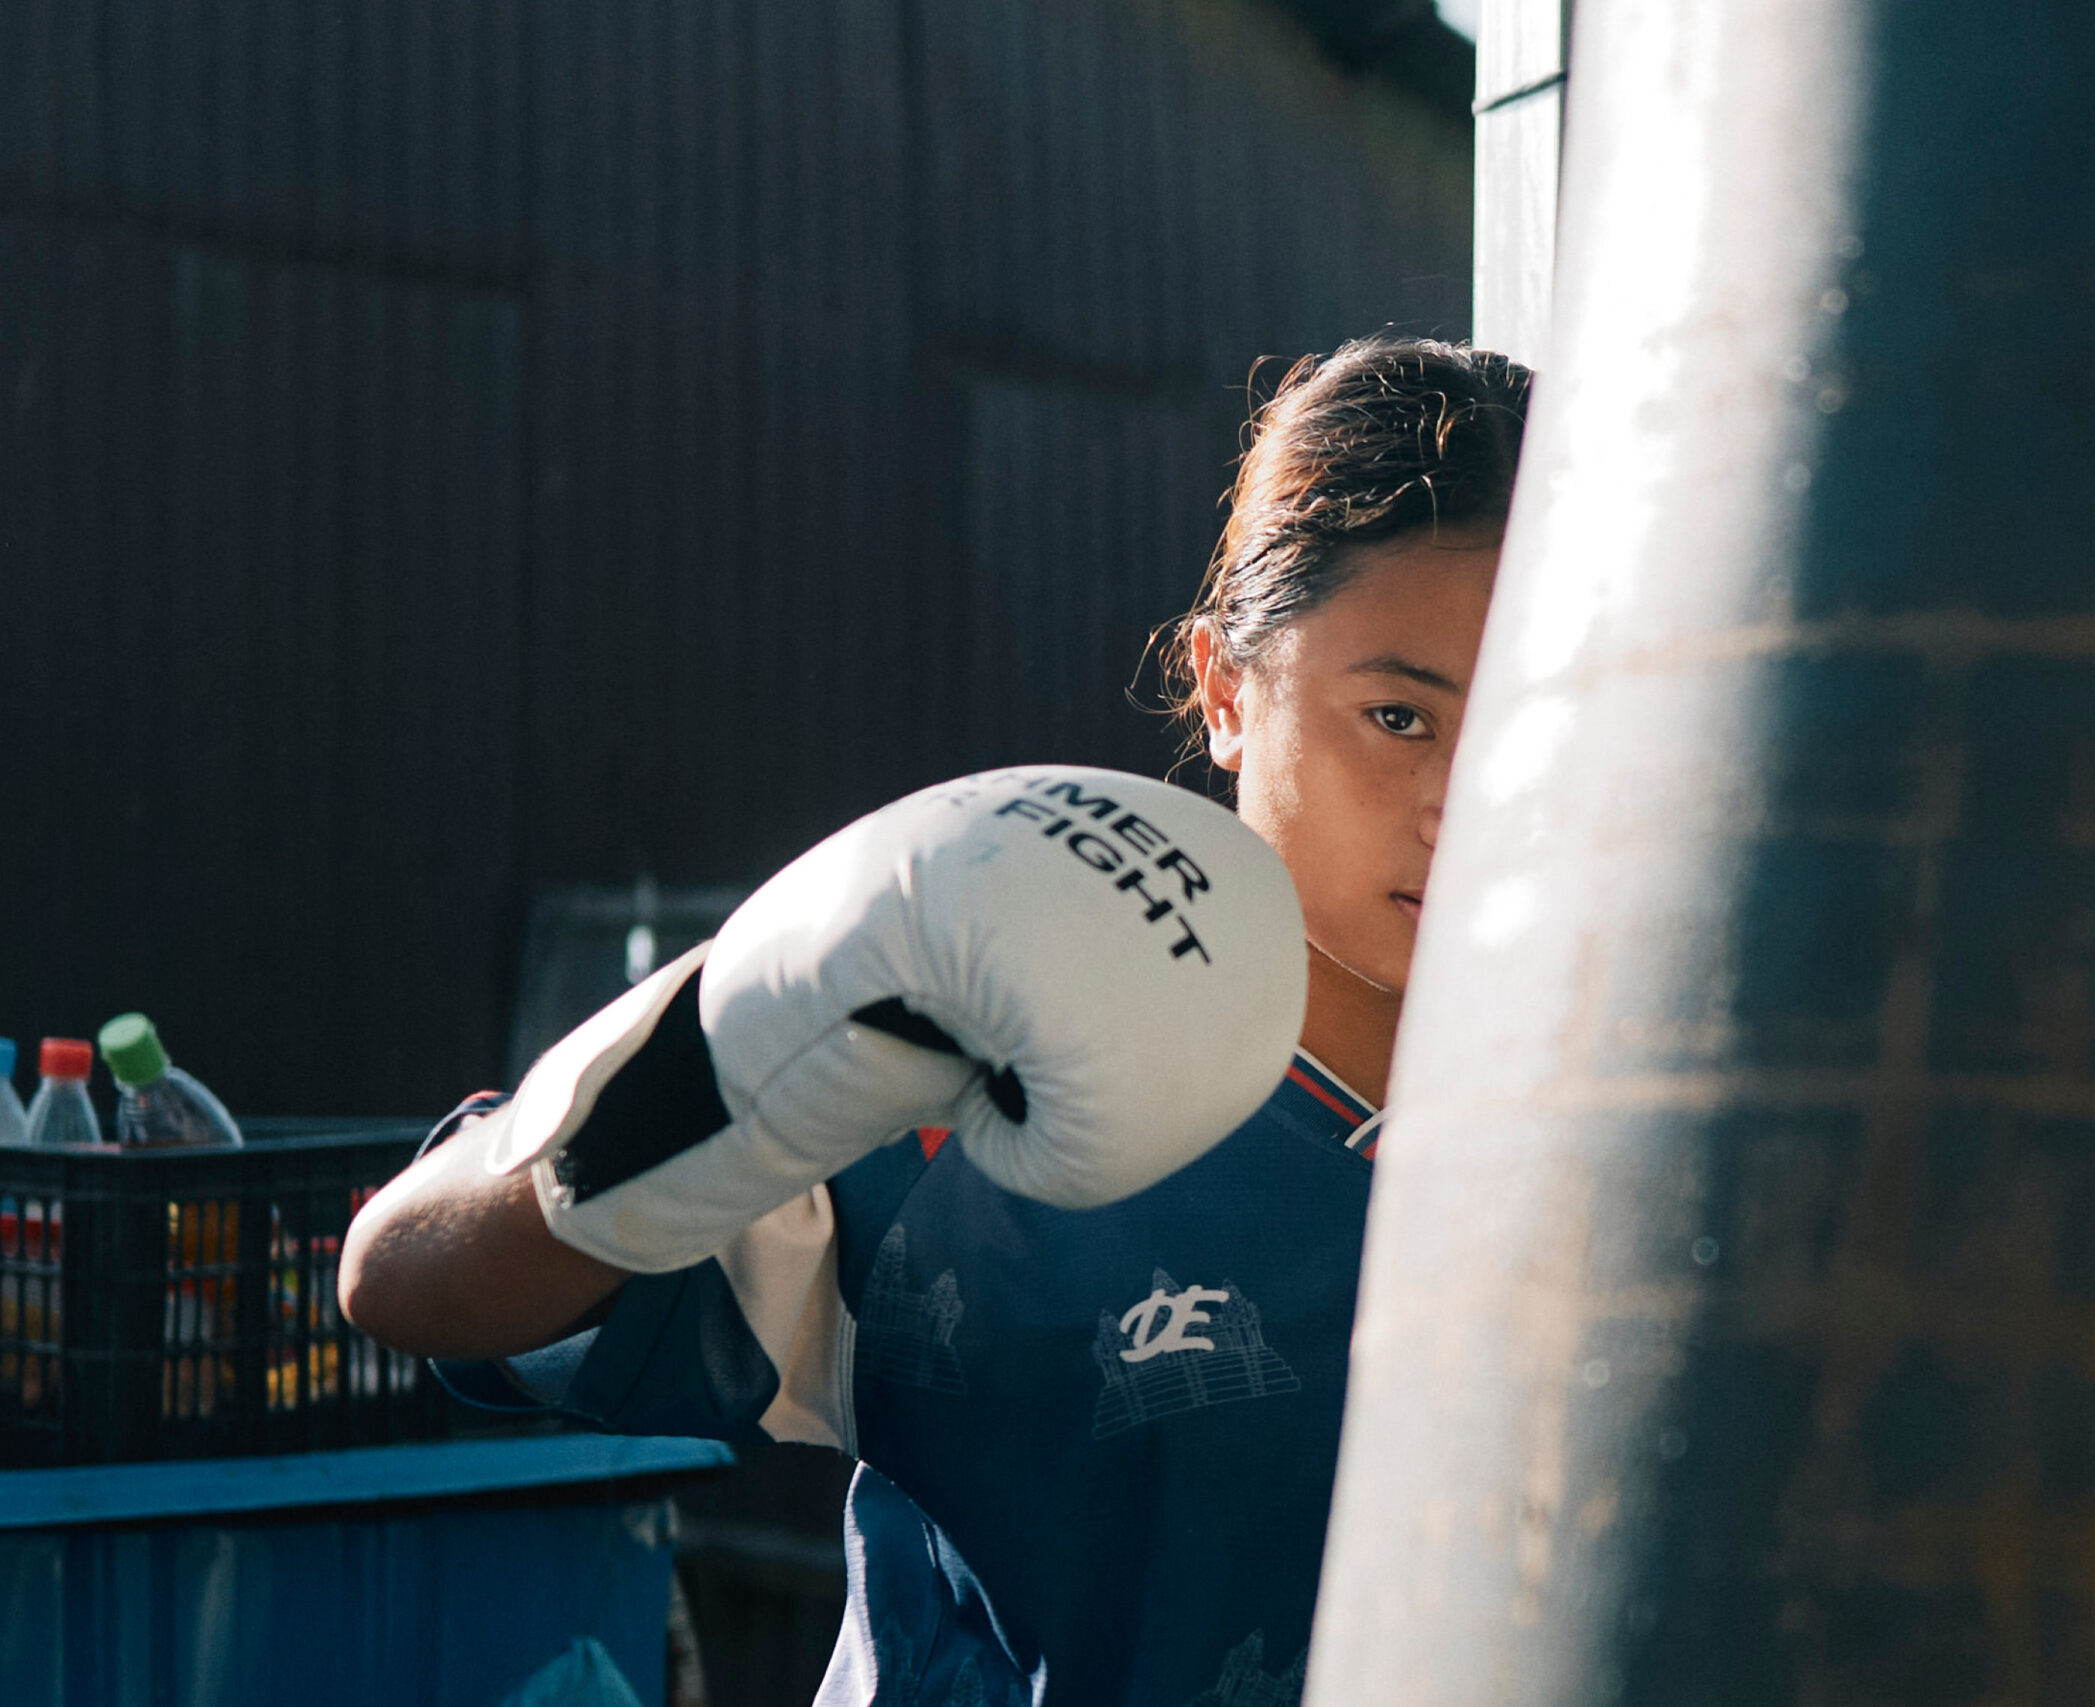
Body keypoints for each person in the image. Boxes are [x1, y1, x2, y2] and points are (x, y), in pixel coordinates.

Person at [339, 334, 1533, 1707]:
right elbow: (411, 1283)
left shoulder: (1653, 1121)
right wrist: (748, 1029)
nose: (1464, 803)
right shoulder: (976, 1061)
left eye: (1523, 723)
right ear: (1223, 689)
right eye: (1399, 717)